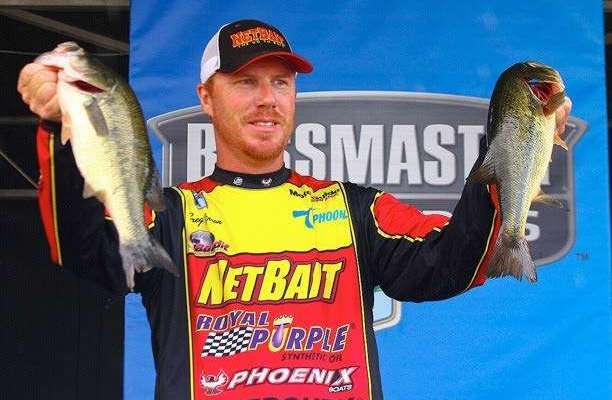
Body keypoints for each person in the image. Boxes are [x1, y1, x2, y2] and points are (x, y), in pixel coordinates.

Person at [18, 19, 571, 400]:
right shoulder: (171, 216)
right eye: (245, 82)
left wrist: (513, 148)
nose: (267, 98)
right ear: (206, 97)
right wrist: (59, 127)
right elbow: (85, 250)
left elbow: (450, 262)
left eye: (280, 82)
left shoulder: (355, 209)